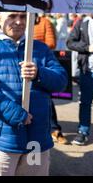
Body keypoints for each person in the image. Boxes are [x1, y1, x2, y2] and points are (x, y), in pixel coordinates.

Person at [0, 12, 67, 176]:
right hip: (2, 140)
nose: (18, 21)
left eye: (23, 17)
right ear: (0, 18)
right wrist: (15, 114)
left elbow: (61, 81)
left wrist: (39, 73)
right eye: (12, 16)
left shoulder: (40, 49)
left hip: (36, 140)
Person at [66, 13, 93, 151]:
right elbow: (70, 42)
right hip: (87, 71)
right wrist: (87, 47)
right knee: (85, 102)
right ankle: (83, 132)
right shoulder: (82, 22)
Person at [33, 14, 67, 145]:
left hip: (41, 67)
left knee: (47, 100)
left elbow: (51, 42)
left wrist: (34, 47)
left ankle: (55, 129)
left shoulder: (45, 22)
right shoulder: (20, 22)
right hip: (23, 67)